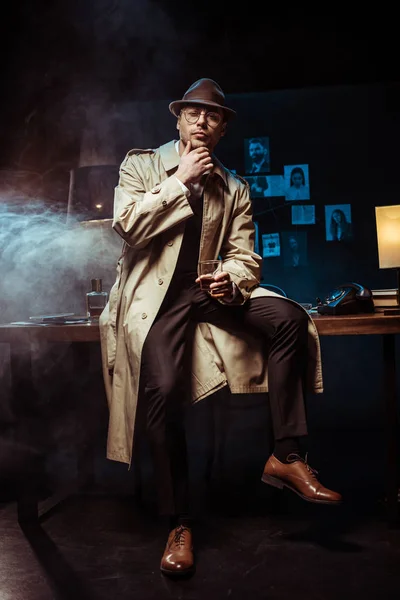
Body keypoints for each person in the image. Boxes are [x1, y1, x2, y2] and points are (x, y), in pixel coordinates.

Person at [99, 78, 342, 578]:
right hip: (157, 299)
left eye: (212, 116)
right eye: (193, 114)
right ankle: (179, 523)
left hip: (209, 295)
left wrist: (231, 282)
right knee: (163, 390)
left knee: (291, 319)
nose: (202, 122)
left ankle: (286, 455)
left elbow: (245, 257)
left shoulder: (234, 185)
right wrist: (181, 180)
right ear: (179, 120)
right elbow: (127, 225)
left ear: (223, 127)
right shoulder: (141, 165)